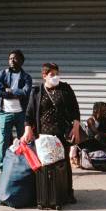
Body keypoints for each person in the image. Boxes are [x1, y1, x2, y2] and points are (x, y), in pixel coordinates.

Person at [23, 62, 79, 203]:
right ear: (44, 76)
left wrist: (76, 127)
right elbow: (29, 113)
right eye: (52, 74)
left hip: (61, 133)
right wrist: (27, 129)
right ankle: (47, 194)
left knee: (63, 163)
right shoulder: (37, 92)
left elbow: (75, 109)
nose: (55, 77)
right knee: (45, 163)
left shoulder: (65, 89)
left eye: (57, 74)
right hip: (43, 135)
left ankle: (67, 193)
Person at [0, 49, 32, 179]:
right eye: (10, 58)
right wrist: (15, 92)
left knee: (24, 140)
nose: (12, 61)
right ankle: (0, 168)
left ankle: (25, 166)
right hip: (5, 113)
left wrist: (9, 90)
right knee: (3, 141)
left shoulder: (26, 77)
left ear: (21, 61)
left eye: (14, 58)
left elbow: (26, 92)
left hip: (21, 113)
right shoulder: (2, 74)